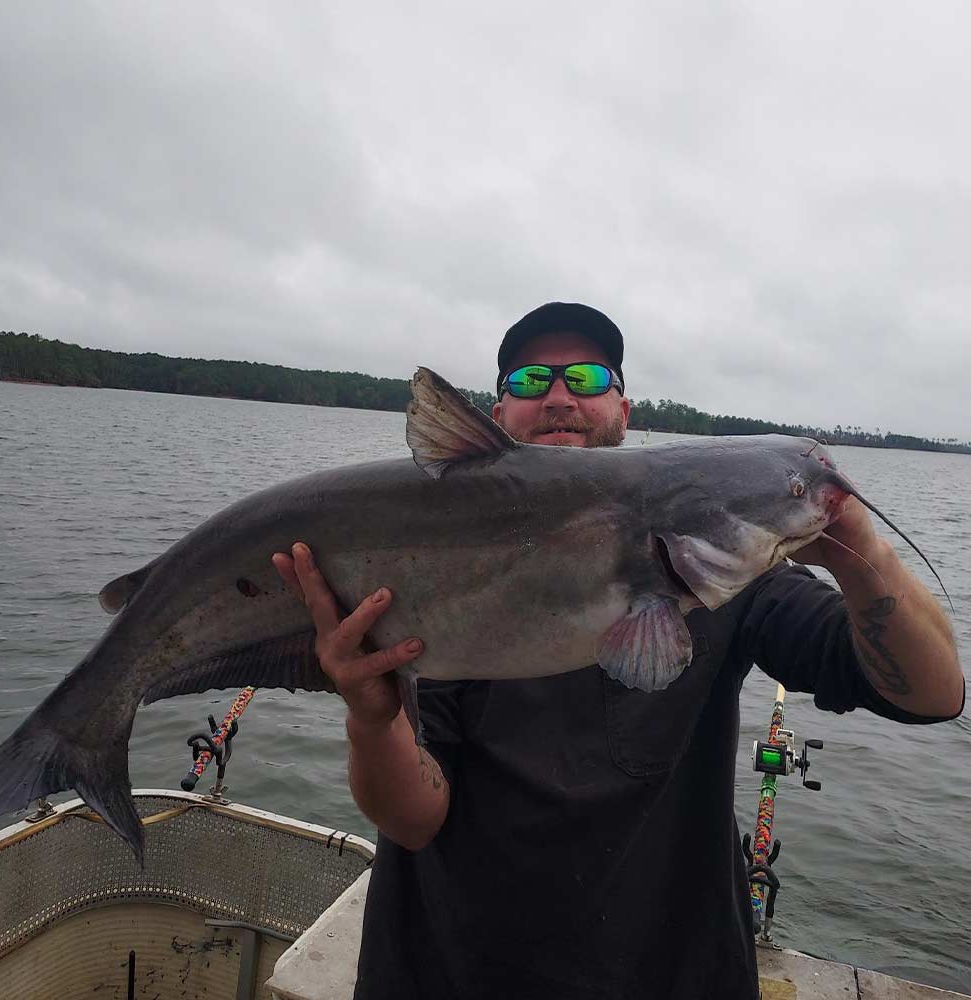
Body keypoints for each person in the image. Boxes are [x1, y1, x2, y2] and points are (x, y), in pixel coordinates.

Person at [272, 302, 964, 1000]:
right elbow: (414, 821)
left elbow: (932, 695)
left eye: (587, 376)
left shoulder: (723, 570)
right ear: (496, 411)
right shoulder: (432, 564)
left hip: (674, 973)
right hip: (453, 971)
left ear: (624, 408)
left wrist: (859, 550)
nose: (560, 395)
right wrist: (370, 712)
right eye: (532, 378)